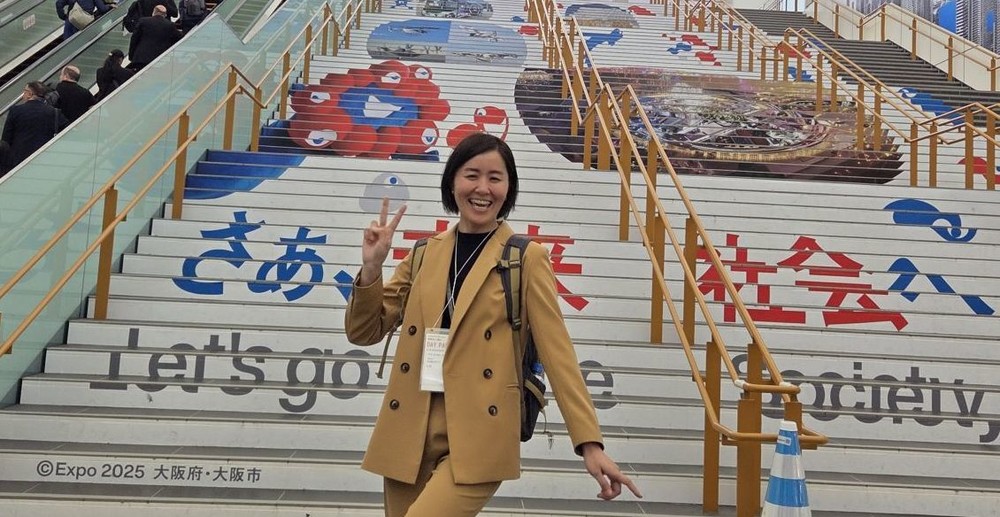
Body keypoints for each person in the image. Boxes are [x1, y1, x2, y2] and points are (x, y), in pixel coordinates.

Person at [344, 133, 642, 516]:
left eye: (495, 178)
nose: (483, 188)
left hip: (480, 431)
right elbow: (363, 332)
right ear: (453, 181)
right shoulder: (423, 253)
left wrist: (589, 443)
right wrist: (371, 269)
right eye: (472, 175)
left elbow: (558, 355)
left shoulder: (526, 258)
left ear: (508, 188)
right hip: (410, 427)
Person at [1, 82, 68, 171]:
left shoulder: (16, 110)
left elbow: (6, 138)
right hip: (43, 157)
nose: (23, 95)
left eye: (24, 91)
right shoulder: (54, 112)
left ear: (29, 94)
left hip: (18, 158)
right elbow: (67, 131)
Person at [127, 4, 181, 72]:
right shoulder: (169, 25)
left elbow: (134, 39)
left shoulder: (143, 21)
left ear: (154, 12)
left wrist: (131, 55)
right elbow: (178, 38)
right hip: (159, 60)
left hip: (141, 58)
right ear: (165, 15)